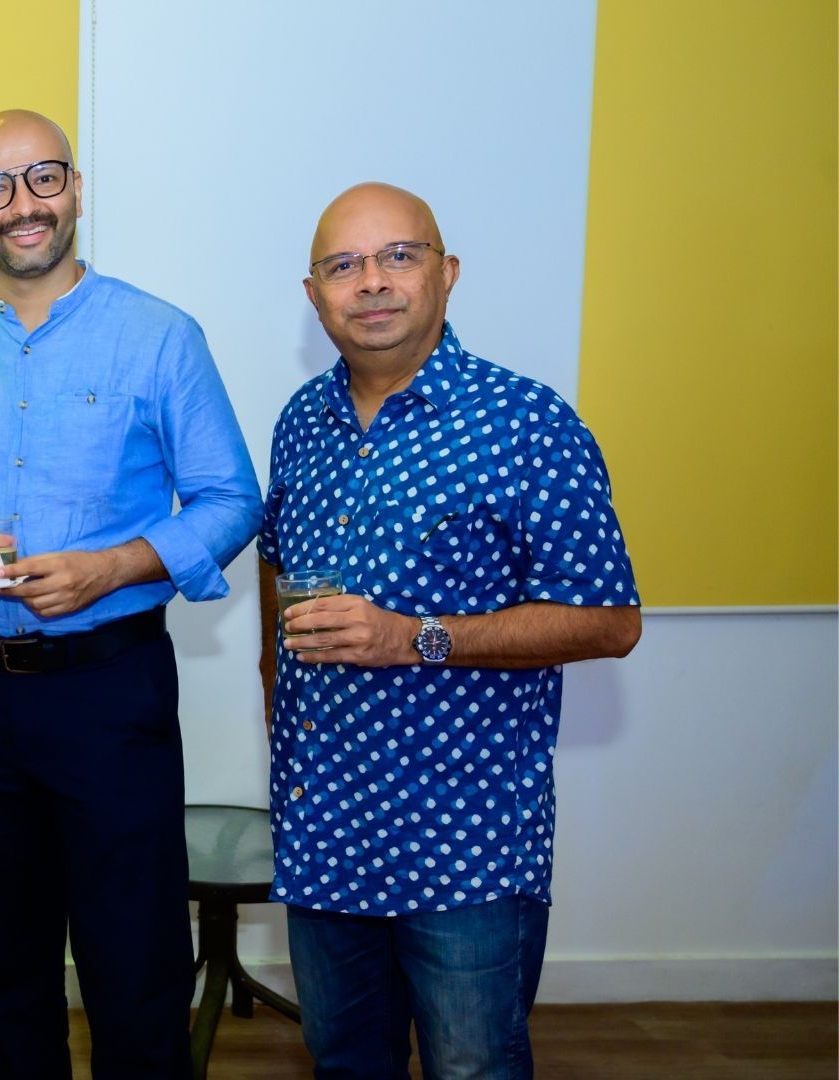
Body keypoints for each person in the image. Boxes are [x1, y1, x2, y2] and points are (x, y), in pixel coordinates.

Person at [0, 109, 262, 1078]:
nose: (23, 204)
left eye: (43, 177)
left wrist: (113, 567)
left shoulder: (160, 336)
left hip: (108, 696)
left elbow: (230, 498)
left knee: (136, 974)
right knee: (5, 976)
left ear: (76, 189)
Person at [260, 182, 642, 1079]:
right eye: (343, 265)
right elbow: (276, 569)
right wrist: (278, 709)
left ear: (447, 272)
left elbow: (610, 620)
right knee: (344, 1062)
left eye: (400, 256)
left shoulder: (527, 423)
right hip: (326, 829)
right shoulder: (302, 423)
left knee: (474, 1068)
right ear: (314, 294)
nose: (372, 282)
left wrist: (414, 637)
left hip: (466, 842)